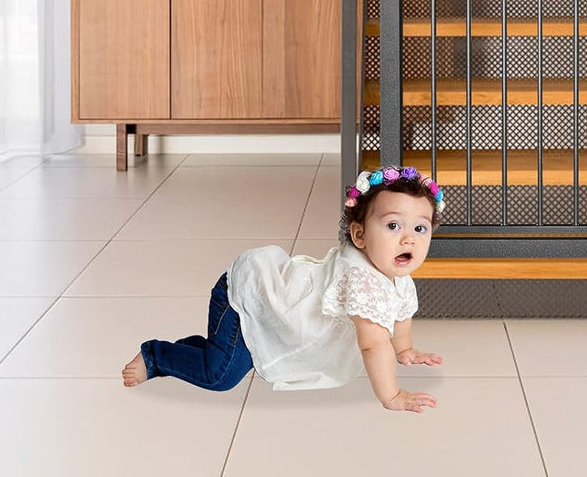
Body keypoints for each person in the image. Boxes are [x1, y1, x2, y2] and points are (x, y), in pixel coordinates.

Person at [121, 164, 446, 414]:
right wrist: (392, 395)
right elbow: (373, 345)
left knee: (227, 357)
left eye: (420, 228)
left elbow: (401, 314)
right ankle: (156, 356)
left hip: (274, 309)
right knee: (220, 376)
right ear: (359, 235)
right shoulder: (361, 280)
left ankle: (206, 349)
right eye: (393, 225)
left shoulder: (396, 275)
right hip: (250, 296)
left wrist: (404, 349)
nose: (409, 239)